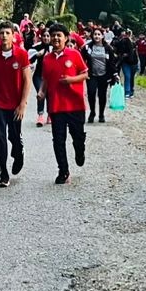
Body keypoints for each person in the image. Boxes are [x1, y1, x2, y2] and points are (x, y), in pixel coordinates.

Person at [0, 21, 30, 188]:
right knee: (0, 137)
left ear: (13, 35)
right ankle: (3, 172)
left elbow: (27, 80)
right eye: (1, 33)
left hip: (16, 102)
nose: (4, 36)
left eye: (7, 33)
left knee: (14, 136)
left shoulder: (22, 54)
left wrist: (23, 103)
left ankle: (18, 153)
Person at [39, 24, 89, 184]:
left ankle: (79, 151)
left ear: (66, 37)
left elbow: (85, 74)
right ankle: (63, 171)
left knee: (78, 136)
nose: (55, 38)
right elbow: (45, 79)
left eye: (58, 35)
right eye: (52, 35)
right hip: (56, 105)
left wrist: (71, 80)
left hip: (75, 104)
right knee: (58, 139)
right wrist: (42, 92)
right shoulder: (46, 59)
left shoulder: (74, 54)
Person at [82, 28, 115, 123]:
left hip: (104, 75)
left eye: (99, 34)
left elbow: (112, 62)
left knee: (102, 95)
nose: (97, 36)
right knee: (91, 93)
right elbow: (81, 59)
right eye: (95, 34)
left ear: (102, 36)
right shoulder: (88, 47)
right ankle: (92, 112)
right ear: (92, 36)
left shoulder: (108, 48)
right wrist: (83, 70)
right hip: (91, 75)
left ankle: (101, 114)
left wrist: (114, 74)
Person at [28, 32, 50, 127]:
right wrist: (37, 55)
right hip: (38, 76)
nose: (46, 38)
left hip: (50, 76)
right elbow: (28, 59)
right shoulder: (36, 47)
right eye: (44, 36)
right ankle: (40, 115)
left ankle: (50, 115)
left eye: (48, 36)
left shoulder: (55, 46)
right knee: (41, 94)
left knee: (50, 95)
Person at [113, 29, 138, 98]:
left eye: (129, 33)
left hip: (134, 62)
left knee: (131, 77)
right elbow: (117, 50)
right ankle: (127, 91)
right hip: (125, 62)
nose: (127, 35)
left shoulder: (134, 42)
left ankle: (131, 91)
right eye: (126, 33)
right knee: (127, 76)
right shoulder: (121, 42)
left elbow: (136, 53)